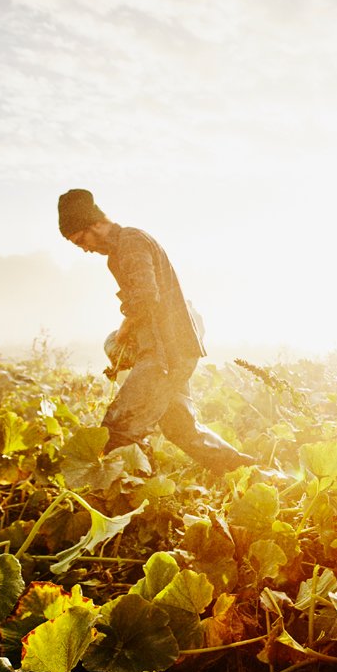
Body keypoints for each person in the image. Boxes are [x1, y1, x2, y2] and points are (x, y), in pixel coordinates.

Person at [57, 188, 255, 475]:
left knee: (119, 429)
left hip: (166, 353)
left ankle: (126, 501)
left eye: (81, 239)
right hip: (174, 350)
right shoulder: (119, 252)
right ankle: (252, 472)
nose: (85, 248)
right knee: (183, 431)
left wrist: (124, 331)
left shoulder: (131, 243)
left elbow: (146, 297)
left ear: (96, 223)